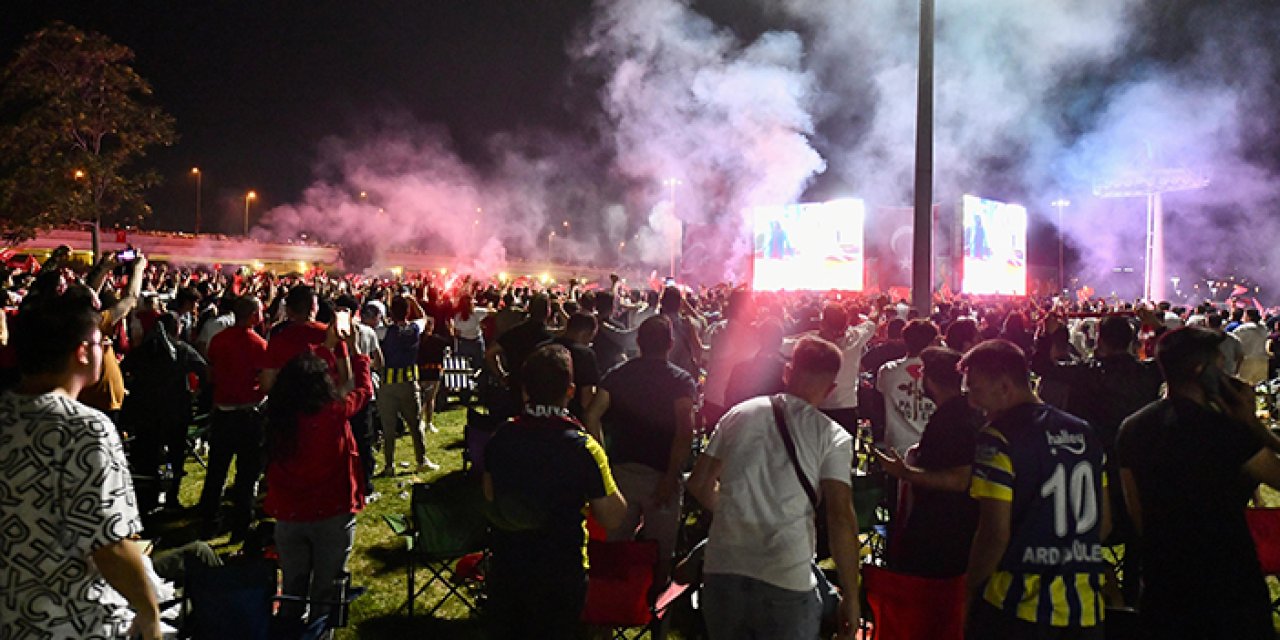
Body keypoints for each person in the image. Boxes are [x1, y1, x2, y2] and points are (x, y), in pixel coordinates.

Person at [0, 288, 162, 639]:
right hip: (69, 620)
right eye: (102, 344)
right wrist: (148, 613)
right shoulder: (84, 428)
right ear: (82, 352)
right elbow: (110, 545)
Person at [687, 336, 861, 640]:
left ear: (787, 372)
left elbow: (699, 484)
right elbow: (840, 518)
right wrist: (851, 595)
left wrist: (732, 507)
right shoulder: (833, 438)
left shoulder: (739, 415)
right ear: (831, 389)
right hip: (786, 575)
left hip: (724, 567)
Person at [1117, 327, 1280, 639]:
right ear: (1200, 370)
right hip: (1228, 584)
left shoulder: (1133, 428)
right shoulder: (1225, 430)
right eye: (1220, 365)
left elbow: (1136, 511)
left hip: (1164, 581)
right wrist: (1255, 427)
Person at [963, 339, 1110, 639]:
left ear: (1004, 386)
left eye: (975, 391)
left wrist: (969, 591)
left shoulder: (998, 438)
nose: (972, 403)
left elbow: (993, 534)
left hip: (1017, 608)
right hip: (1084, 609)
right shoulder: (1085, 432)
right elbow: (1104, 524)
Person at [483, 344, 627, 639]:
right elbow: (613, 517)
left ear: (525, 391)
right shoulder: (584, 448)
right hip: (561, 572)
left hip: (508, 566)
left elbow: (488, 495)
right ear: (570, 391)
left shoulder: (502, 436)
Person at [263, 326, 372, 628]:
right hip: (331, 511)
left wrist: (329, 349)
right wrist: (356, 355)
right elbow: (361, 391)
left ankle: (288, 632)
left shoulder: (278, 420)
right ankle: (319, 633)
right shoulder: (334, 414)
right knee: (326, 589)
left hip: (290, 513)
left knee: (293, 590)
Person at [586, 315, 697, 587]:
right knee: (660, 552)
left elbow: (591, 416)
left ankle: (610, 606)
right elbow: (685, 431)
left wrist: (603, 459)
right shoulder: (679, 380)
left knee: (615, 547)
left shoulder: (617, 375)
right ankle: (654, 605)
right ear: (670, 344)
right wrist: (672, 477)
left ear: (638, 341)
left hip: (621, 473)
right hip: (662, 473)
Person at [876, 346, 982, 578]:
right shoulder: (961, 412)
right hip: (953, 528)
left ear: (931, 380)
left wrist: (905, 472)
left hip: (943, 531)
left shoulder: (952, 420)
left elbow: (959, 479)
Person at [199, 295, 269, 540]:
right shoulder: (258, 344)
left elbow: (210, 371)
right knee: (247, 475)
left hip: (223, 413)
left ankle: (208, 521)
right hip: (249, 416)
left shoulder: (218, 340)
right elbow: (265, 379)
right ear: (253, 315)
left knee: (216, 471)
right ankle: (241, 525)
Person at [785, 303, 876, 433]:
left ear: (823, 323)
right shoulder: (855, 337)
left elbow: (782, 345)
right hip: (848, 408)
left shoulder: (811, 343)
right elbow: (870, 325)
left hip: (817, 407)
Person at [379, 295, 437, 474]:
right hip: (408, 383)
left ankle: (389, 465)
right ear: (407, 312)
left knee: (388, 429)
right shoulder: (414, 328)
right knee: (415, 424)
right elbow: (424, 317)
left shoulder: (382, 331)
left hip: (387, 384)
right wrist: (412, 300)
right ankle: (421, 460)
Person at [875, 319, 939, 454]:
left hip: (897, 447)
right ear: (933, 343)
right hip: (933, 446)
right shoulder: (942, 372)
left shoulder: (887, 371)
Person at [553, 312, 602, 421]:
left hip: (541, 414)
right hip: (571, 418)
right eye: (591, 337)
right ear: (585, 333)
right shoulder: (585, 355)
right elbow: (586, 398)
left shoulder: (544, 347)